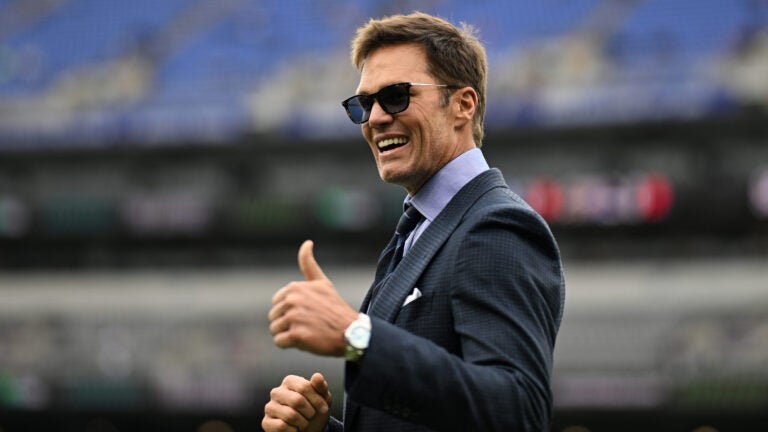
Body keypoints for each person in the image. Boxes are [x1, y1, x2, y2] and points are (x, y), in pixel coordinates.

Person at [263, 11, 565, 432]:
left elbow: (517, 411)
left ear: (462, 105)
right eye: (364, 104)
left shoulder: (496, 226)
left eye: (396, 96)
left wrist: (356, 336)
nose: (375, 118)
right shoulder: (418, 229)